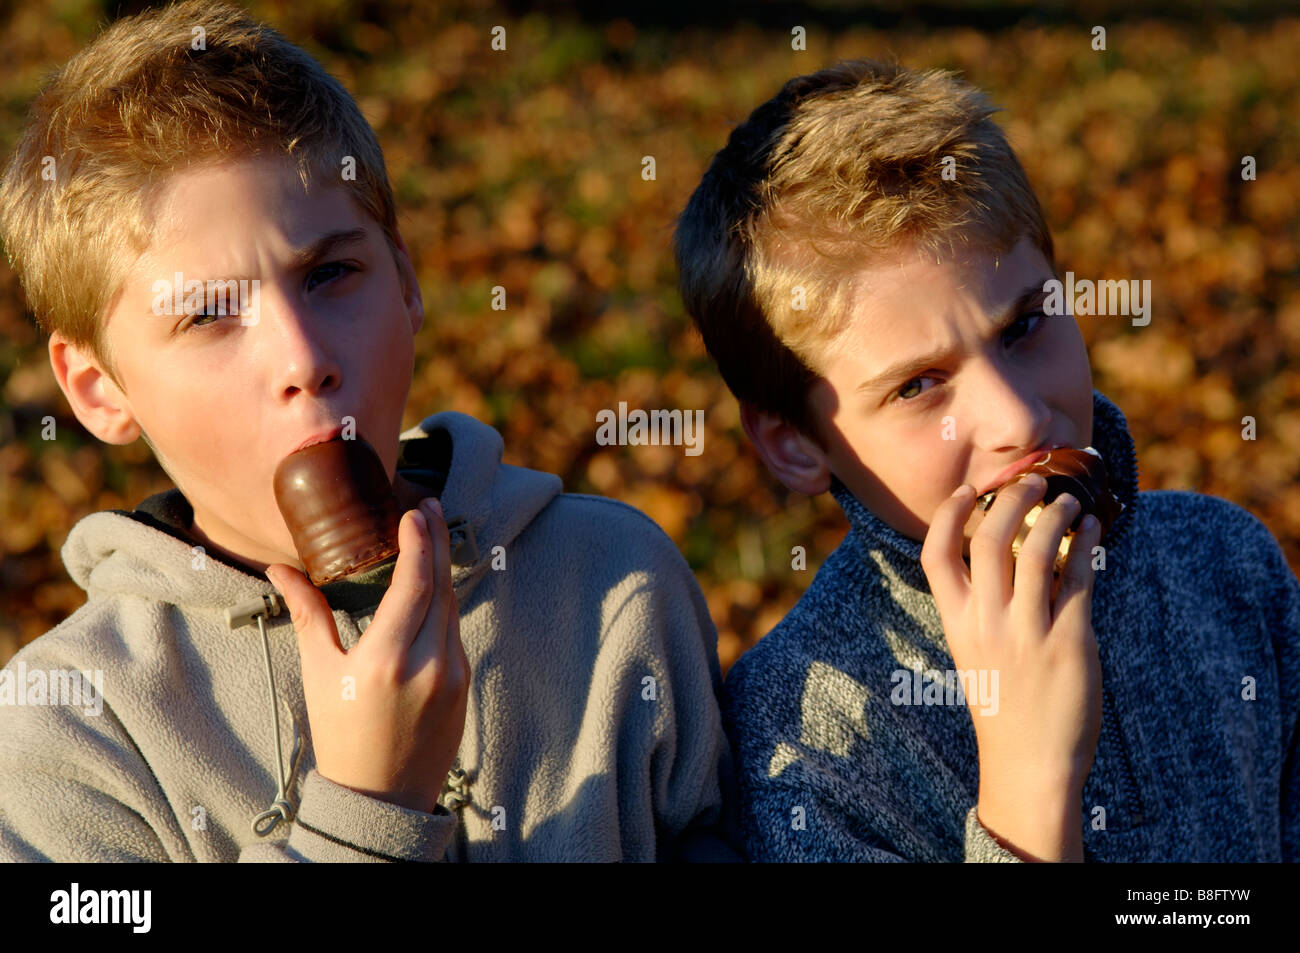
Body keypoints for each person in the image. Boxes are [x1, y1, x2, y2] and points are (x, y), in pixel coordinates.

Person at [0, 0, 738, 862]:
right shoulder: (70, 735)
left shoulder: (615, 585)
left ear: (407, 282)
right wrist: (363, 811)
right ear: (96, 389)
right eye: (207, 315)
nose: (304, 358)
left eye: (331, 273)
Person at [673, 58, 1300, 861]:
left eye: (1023, 326)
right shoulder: (809, 741)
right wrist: (1028, 786)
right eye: (918, 386)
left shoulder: (1228, 568)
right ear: (794, 442)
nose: (1015, 415)